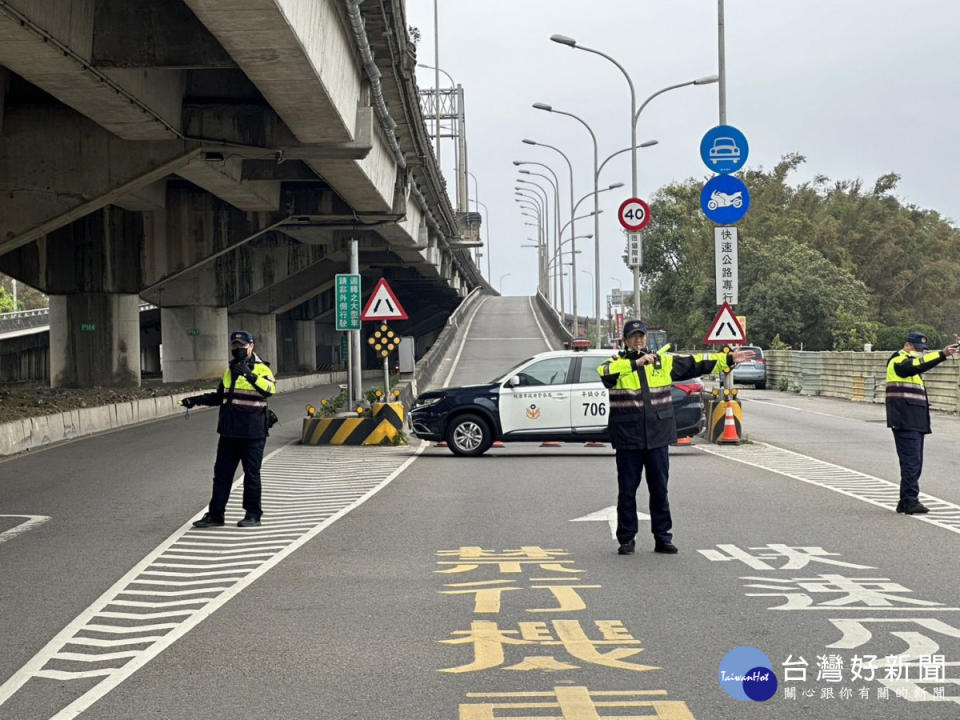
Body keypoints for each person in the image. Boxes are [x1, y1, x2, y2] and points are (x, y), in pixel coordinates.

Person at [597, 320, 753, 555]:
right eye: (633, 336)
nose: (638, 340)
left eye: (642, 336)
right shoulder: (617, 364)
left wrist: (728, 360)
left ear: (646, 338)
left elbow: (696, 364)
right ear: (625, 340)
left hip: (657, 437)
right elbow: (604, 373)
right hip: (628, 438)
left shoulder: (663, 362)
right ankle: (626, 539)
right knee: (627, 492)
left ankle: (663, 537)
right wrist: (635, 363)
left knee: (660, 490)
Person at [181, 330, 277, 528]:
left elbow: (269, 391)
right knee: (222, 475)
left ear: (251, 346)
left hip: (253, 433)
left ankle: (253, 514)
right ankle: (216, 515)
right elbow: (220, 396)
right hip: (229, 432)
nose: (238, 349)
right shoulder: (230, 369)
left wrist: (249, 374)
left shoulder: (262, 369)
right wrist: (194, 401)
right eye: (235, 345)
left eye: (242, 345)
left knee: (251, 474)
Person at [885, 331, 958, 514]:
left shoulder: (911, 365)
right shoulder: (899, 361)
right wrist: (942, 354)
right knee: (911, 462)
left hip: (914, 420)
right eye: (918, 349)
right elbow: (916, 365)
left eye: (923, 350)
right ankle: (910, 500)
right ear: (907, 345)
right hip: (905, 420)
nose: (921, 352)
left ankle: (905, 501)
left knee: (914, 462)